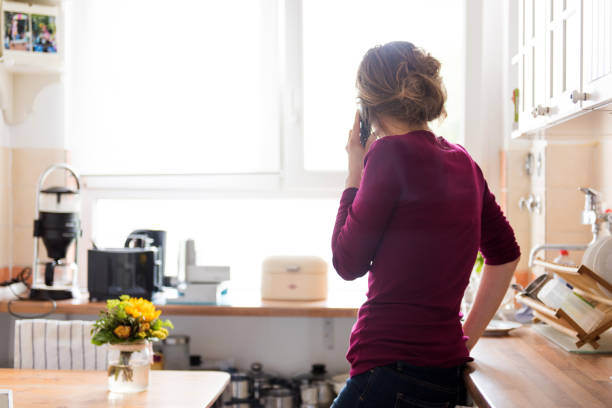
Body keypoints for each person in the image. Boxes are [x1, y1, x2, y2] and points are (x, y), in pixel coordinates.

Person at [330, 41, 520, 408]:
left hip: (387, 370)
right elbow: (506, 255)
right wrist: (465, 339)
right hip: (442, 376)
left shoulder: (387, 155)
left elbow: (346, 262)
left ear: (368, 107)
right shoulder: (464, 161)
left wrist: (355, 167)